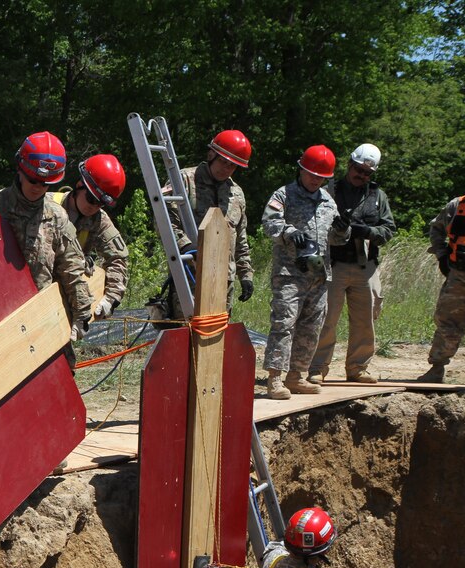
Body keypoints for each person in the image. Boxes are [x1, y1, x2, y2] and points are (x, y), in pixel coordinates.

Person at [0, 131, 93, 358]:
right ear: (20, 169)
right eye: (33, 179)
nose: (38, 187)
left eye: (45, 183)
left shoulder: (58, 217)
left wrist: (82, 314)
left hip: (40, 319)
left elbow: (72, 267)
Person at [261, 145, 345, 400]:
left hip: (318, 275)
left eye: (320, 177)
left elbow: (336, 239)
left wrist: (343, 230)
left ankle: (297, 376)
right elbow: (269, 223)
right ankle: (275, 378)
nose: (315, 179)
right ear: (301, 169)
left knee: (312, 327)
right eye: (311, 174)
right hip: (289, 273)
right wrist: (289, 231)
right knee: (284, 324)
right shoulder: (284, 194)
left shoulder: (328, 201)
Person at [309, 144, 396, 385]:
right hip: (332, 264)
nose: (362, 176)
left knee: (365, 320)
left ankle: (358, 368)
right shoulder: (329, 191)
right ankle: (317, 368)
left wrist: (368, 231)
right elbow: (312, 224)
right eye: (359, 170)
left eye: (368, 173)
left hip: (364, 265)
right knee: (326, 318)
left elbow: (389, 229)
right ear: (349, 164)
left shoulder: (378, 196)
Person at [164, 130, 255, 318]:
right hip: (190, 279)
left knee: (215, 338)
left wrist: (246, 275)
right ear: (211, 154)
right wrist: (187, 247)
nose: (226, 169)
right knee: (185, 335)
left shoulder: (236, 194)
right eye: (223, 162)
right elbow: (165, 222)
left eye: (233, 166)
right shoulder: (183, 181)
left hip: (223, 282)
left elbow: (240, 240)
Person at [51, 154, 129, 319]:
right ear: (80, 185)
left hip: (65, 303)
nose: (94, 207)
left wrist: (112, 297)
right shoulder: (47, 207)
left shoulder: (99, 220)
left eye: (100, 204)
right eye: (91, 199)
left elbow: (118, 258)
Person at [416, 192, 465, 382]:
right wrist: (441, 255)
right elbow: (436, 228)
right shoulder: (458, 205)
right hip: (459, 275)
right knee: (447, 322)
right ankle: (436, 369)